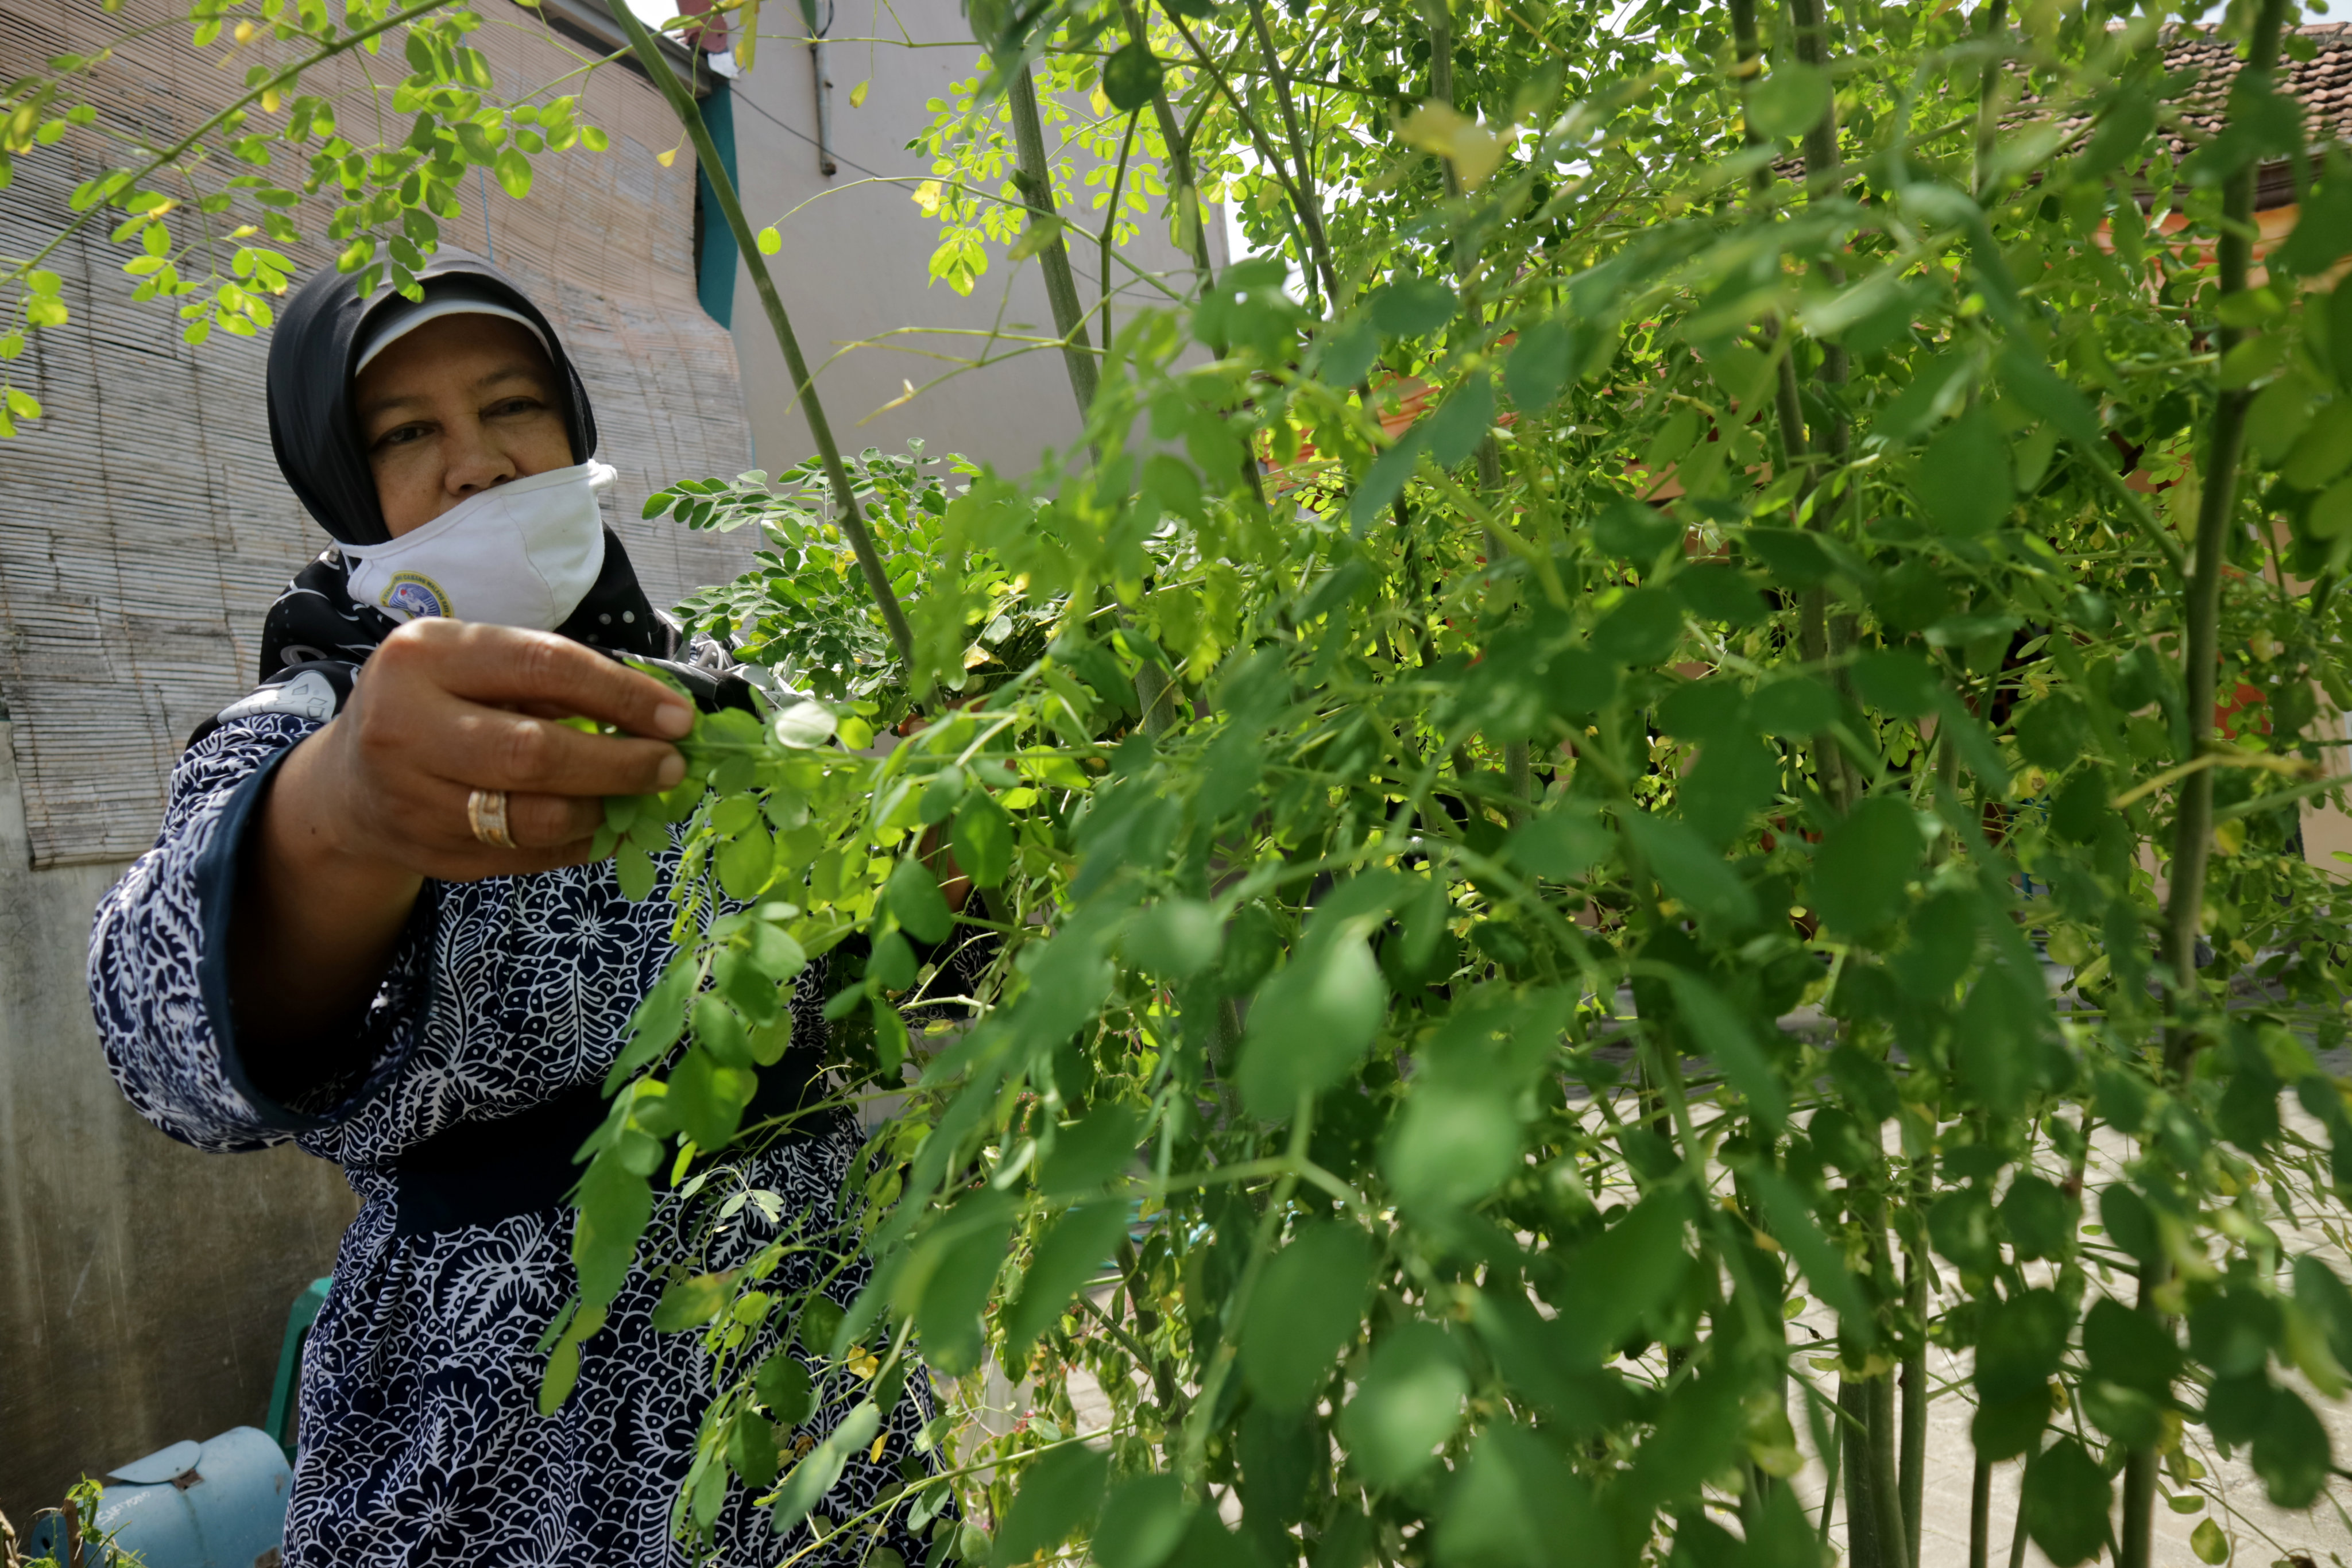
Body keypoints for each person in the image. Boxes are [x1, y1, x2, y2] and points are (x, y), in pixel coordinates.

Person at [87, 252, 939, 1566]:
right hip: (499, 1439)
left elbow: (887, 981)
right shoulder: (310, 729)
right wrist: (341, 825)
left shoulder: (733, 705)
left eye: (512, 408)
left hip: (807, 1376)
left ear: (573, 434)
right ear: (334, 475)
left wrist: (942, 854)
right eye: (406, 431)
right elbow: (161, 1042)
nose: (475, 463)